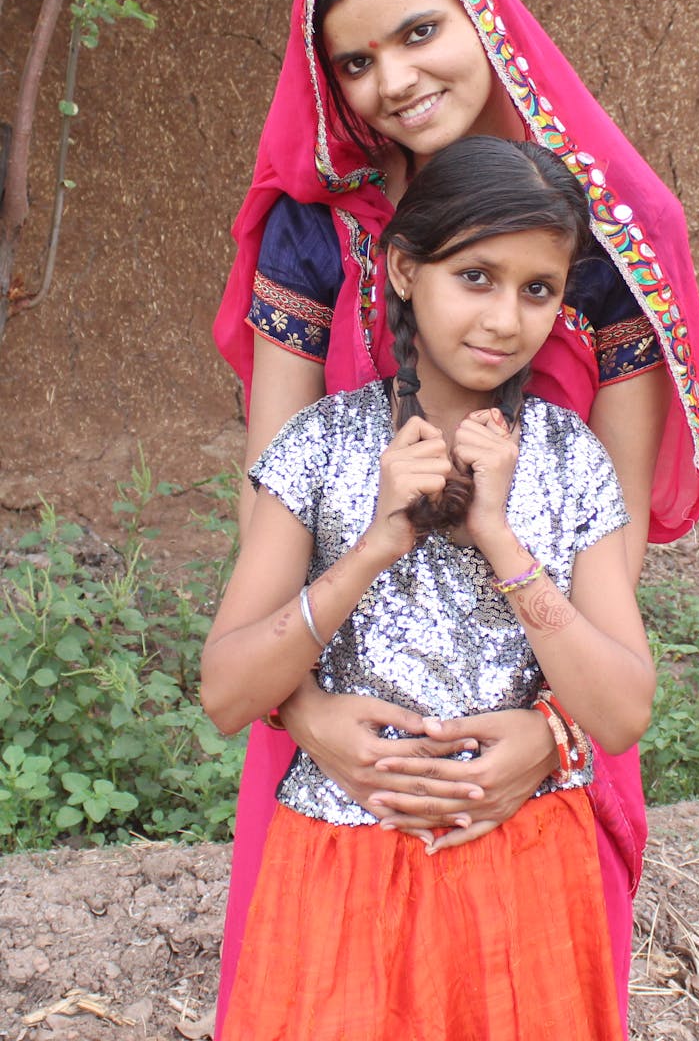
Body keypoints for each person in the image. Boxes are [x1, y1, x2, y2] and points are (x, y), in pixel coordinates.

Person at [212, 0, 699, 1035]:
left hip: (542, 708)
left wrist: (552, 735)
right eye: (354, 61)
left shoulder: (595, 235)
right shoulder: (319, 233)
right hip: (335, 714)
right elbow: (270, 499)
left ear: (480, 13)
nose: (391, 78)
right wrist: (308, 717)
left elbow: (613, 536)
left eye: (417, 32)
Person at [203, 135, 657, 1040]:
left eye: (539, 290)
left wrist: (498, 535)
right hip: (338, 868)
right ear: (406, 270)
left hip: (524, 871)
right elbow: (225, 692)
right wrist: (375, 543)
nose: (504, 318)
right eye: (476, 277)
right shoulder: (323, 447)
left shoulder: (572, 462)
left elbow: (621, 714)